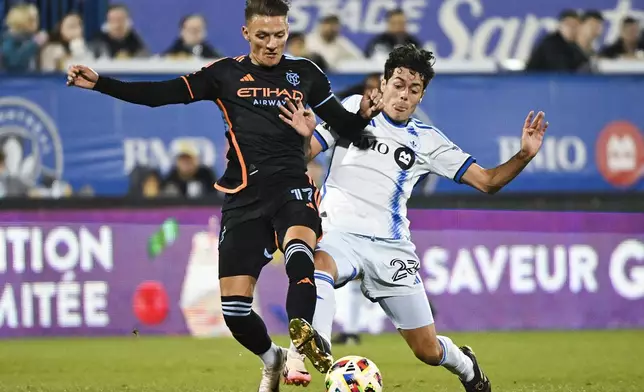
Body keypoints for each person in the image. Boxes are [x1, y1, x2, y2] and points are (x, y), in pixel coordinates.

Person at [66, 0, 383, 390]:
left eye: (280, 35)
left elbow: (348, 129)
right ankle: (274, 359)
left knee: (300, 253)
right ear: (246, 33)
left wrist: (364, 117)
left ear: (288, 32)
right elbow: (158, 94)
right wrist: (101, 82)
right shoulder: (223, 74)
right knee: (234, 310)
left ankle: (299, 349)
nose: (272, 44)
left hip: (292, 187)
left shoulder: (306, 75)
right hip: (244, 197)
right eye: (263, 35)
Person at [278, 43, 548, 392]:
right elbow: (304, 155)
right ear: (383, 83)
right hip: (340, 233)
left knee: (427, 349)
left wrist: (524, 155)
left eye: (414, 90)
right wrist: (301, 138)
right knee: (318, 264)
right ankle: (321, 345)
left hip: (390, 249)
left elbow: (487, 182)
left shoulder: (428, 141)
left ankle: (467, 367)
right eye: (399, 84)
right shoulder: (352, 109)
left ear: (421, 97)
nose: (404, 95)